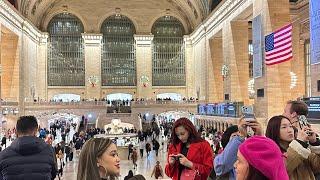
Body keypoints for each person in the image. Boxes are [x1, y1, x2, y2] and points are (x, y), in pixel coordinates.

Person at [0, 116, 57, 180]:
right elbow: (53, 174)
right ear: (36, 131)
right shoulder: (50, 151)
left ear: (16, 132)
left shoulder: (3, 155)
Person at [265, 115, 320, 180]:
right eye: (284, 127)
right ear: (274, 130)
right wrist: (299, 142)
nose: (290, 130)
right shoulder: (270, 151)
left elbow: (317, 166)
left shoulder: (302, 149)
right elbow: (282, 169)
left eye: (290, 126)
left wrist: (314, 143)